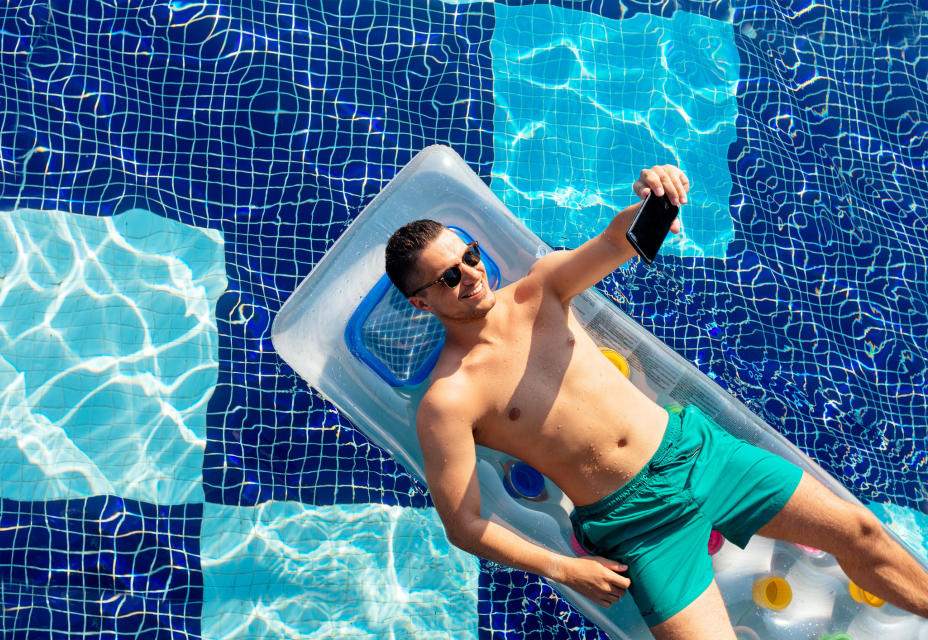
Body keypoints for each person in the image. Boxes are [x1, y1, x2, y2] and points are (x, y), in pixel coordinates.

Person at [383, 165, 928, 639]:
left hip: (696, 452)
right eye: (449, 276)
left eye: (470, 256)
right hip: (636, 525)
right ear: (421, 301)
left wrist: (651, 196)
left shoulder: (540, 288)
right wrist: (562, 569)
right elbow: (464, 525)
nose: (472, 276)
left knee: (862, 531)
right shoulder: (448, 399)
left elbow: (617, 241)